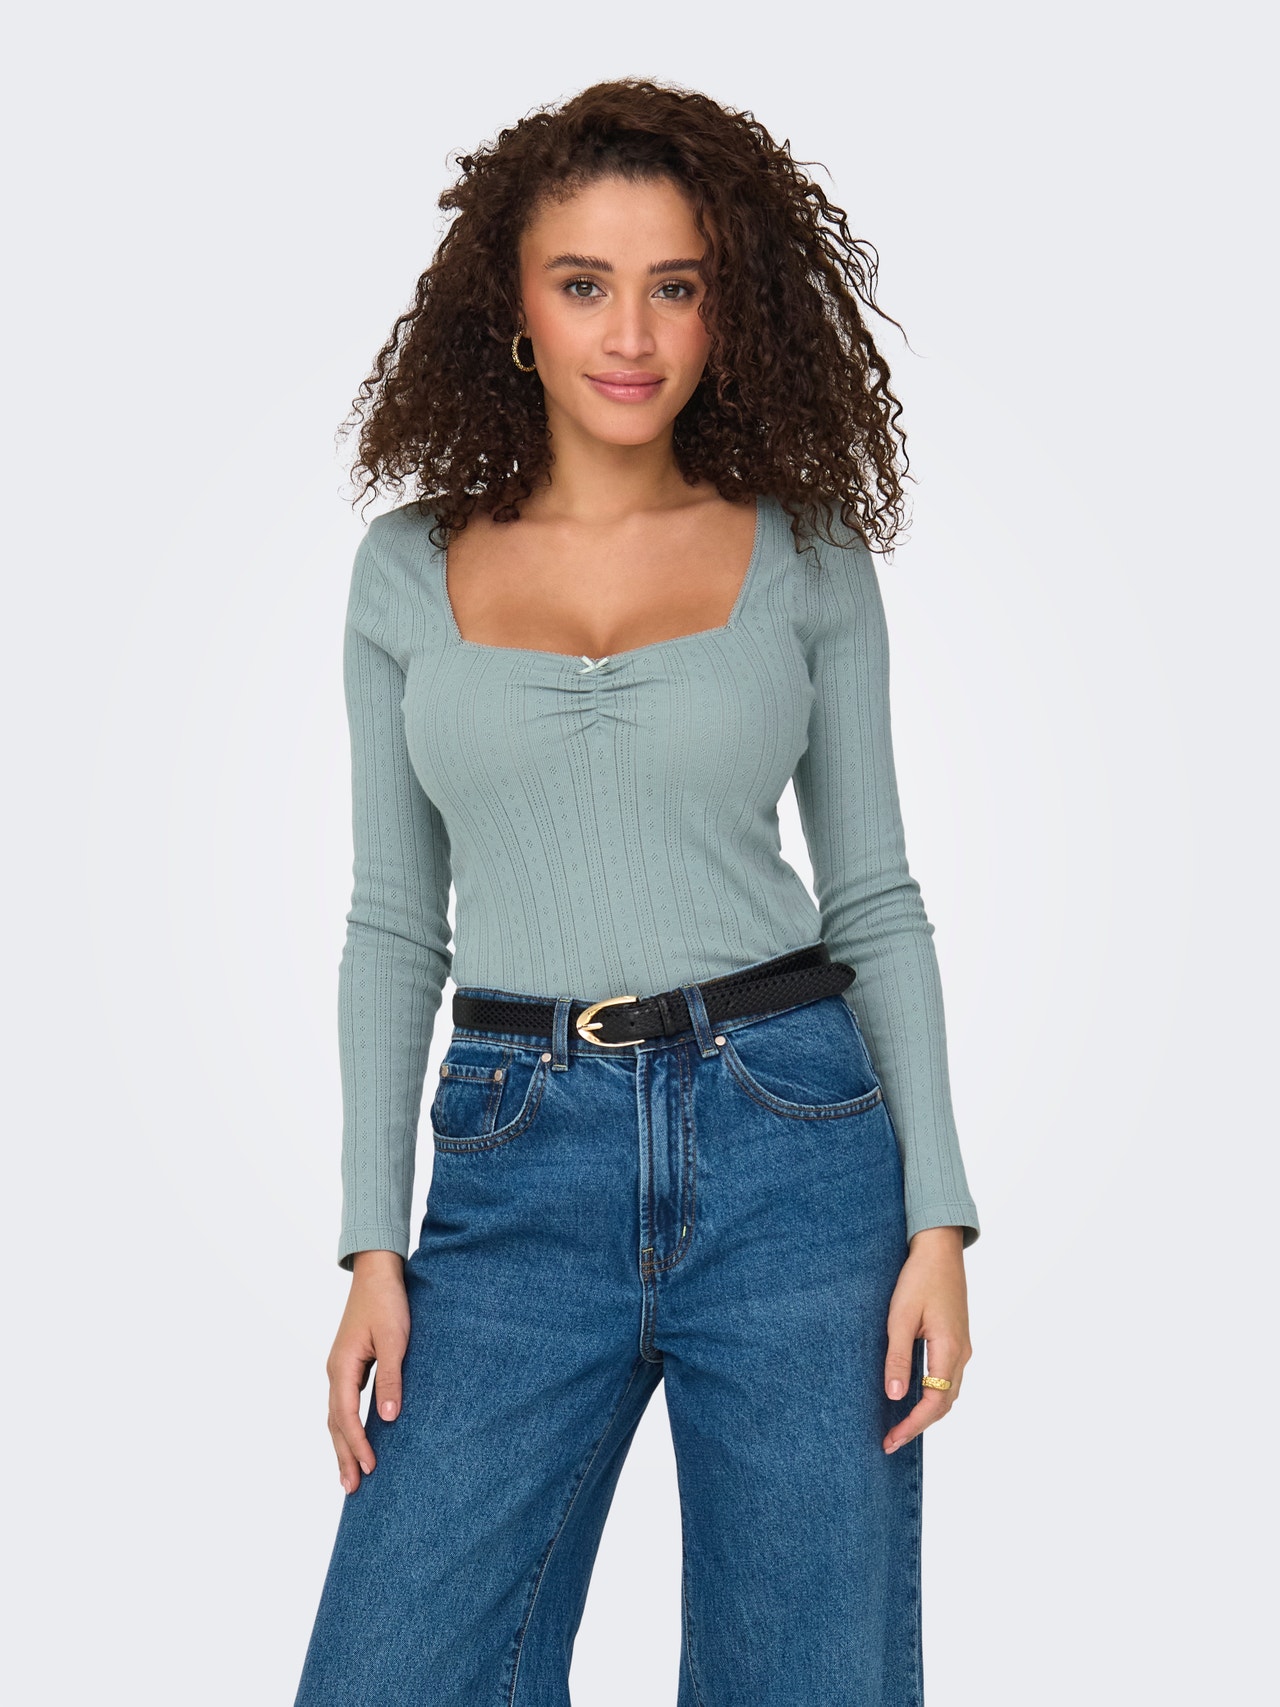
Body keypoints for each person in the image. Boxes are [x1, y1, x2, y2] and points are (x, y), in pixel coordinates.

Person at [293, 75, 980, 1707]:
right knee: (392, 1672)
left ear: (727, 310)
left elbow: (874, 895)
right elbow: (392, 928)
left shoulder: (807, 552)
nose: (631, 333)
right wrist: (371, 1244)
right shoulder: (405, 570)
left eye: (676, 285)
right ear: (513, 309)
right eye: (584, 282)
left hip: (796, 1147)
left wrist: (940, 1218)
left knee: (805, 1678)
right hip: (517, 1157)